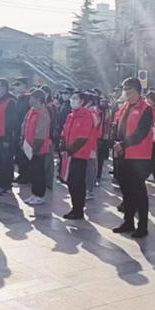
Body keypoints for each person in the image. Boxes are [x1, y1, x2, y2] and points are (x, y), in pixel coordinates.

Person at [112, 77, 154, 238]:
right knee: (126, 190)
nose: (128, 95)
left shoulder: (146, 109)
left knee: (138, 192)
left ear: (138, 91)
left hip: (139, 157)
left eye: (130, 92)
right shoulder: (124, 107)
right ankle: (128, 221)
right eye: (126, 92)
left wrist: (123, 144)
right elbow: (119, 127)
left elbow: (141, 133)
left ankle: (142, 226)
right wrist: (116, 142)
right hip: (123, 155)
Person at [61, 91, 95, 219]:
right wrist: (63, 146)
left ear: (82, 102)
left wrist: (70, 150)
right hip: (69, 154)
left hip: (80, 155)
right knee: (70, 182)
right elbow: (64, 132)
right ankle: (75, 208)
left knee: (77, 183)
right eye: (72, 98)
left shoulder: (86, 116)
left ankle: (78, 209)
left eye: (75, 98)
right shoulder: (71, 116)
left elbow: (83, 137)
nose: (72, 100)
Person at [23, 88, 52, 205]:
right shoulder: (32, 111)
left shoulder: (43, 113)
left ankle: (39, 195)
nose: (30, 100)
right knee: (33, 171)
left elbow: (41, 133)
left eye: (32, 98)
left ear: (39, 99)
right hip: (29, 146)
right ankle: (34, 193)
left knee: (39, 171)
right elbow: (25, 125)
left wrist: (35, 148)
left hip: (38, 148)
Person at [0, 78, 18, 194]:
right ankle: (1, 182)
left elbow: (11, 122)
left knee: (6, 161)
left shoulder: (10, 102)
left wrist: (7, 138)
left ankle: (6, 184)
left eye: (0, 86)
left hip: (5, 137)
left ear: (6, 88)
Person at [12, 77, 32, 184]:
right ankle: (21, 174)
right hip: (17, 129)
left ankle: (26, 176)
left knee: (25, 154)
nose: (16, 87)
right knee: (19, 154)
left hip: (25, 130)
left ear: (25, 86)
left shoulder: (29, 99)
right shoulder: (18, 99)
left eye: (18, 85)